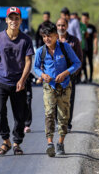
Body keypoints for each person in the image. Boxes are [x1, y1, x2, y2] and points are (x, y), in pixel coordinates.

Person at [0, 7, 34, 156]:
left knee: (20, 116)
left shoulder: (26, 40)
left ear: (20, 20)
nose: (14, 21)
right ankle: (5, 140)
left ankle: (16, 143)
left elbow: (28, 62)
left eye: (16, 18)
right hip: (1, 81)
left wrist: (22, 79)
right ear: (6, 20)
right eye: (11, 18)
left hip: (18, 82)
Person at [34, 21, 81, 157]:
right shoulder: (40, 51)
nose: (46, 39)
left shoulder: (65, 47)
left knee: (63, 116)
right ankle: (50, 143)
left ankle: (60, 142)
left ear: (56, 35)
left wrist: (66, 73)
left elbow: (77, 63)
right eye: (44, 36)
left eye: (49, 36)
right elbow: (35, 67)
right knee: (49, 114)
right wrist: (42, 75)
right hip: (49, 87)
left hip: (65, 86)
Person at [56, 18, 83, 133]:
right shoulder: (53, 39)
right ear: (56, 26)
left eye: (63, 25)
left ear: (67, 26)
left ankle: (68, 123)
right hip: (56, 77)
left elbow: (79, 58)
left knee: (69, 100)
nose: (61, 28)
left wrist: (75, 73)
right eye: (59, 25)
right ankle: (59, 122)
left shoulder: (74, 40)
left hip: (70, 75)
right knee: (56, 99)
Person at [81, 12, 97, 83]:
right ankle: (86, 77)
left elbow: (95, 37)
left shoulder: (92, 27)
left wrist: (96, 47)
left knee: (90, 62)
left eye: (86, 18)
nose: (84, 20)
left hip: (90, 47)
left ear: (88, 19)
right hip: (83, 48)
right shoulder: (80, 26)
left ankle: (90, 78)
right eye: (83, 18)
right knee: (83, 63)